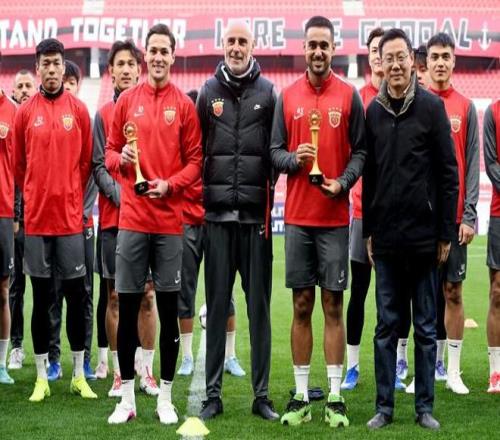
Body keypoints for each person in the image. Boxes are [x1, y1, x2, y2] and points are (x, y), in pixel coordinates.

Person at [271, 15, 366, 428]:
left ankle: (335, 396)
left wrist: (342, 182)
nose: (318, 51)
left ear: (334, 48)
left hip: (333, 219)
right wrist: (295, 159)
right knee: (301, 304)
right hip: (297, 218)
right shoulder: (287, 96)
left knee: (333, 304)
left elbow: (361, 152)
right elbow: (274, 152)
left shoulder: (349, 96)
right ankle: (299, 395)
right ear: (304, 48)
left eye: (324, 45)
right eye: (312, 45)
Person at [105, 24, 202, 424]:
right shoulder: (126, 102)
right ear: (145, 55)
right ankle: (127, 399)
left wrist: (170, 185)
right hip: (132, 220)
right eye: (153, 50)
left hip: (168, 224)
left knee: (167, 309)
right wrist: (121, 160)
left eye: (165, 51)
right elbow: (109, 154)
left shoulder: (184, 106)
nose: (158, 57)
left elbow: (195, 162)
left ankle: (165, 397)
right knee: (127, 308)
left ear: (173, 56)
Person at [363, 28, 458, 430]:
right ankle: (384, 407)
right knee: (386, 326)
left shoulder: (432, 109)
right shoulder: (373, 112)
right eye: (389, 58)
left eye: (402, 57)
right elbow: (370, 175)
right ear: (381, 64)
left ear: (412, 62)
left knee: (425, 326)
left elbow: (448, 174)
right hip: (385, 239)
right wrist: (368, 231)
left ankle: (424, 408)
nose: (396, 65)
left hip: (424, 239)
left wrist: (445, 233)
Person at [196, 20, 277, 422]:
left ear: (253, 45)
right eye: (231, 41)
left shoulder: (269, 93)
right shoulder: (207, 92)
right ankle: (213, 395)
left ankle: (261, 396)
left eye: (243, 41)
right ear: (222, 44)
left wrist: (262, 195)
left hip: (255, 220)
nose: (236, 47)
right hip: (216, 219)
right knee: (216, 308)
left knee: (258, 310)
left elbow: (274, 153)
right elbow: (198, 152)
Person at [13, 38, 97, 401]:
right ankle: (41, 377)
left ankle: (78, 375)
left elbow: (85, 163)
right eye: (45, 63)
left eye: (56, 63)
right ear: (38, 68)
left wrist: (69, 195)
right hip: (37, 221)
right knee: (42, 298)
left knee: (76, 298)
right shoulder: (24, 113)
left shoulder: (78, 110)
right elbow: (19, 165)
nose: (51, 69)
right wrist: (36, 195)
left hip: (69, 222)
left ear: (64, 68)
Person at [93, 39, 159, 398]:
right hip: (113, 220)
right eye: (120, 64)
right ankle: (120, 374)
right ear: (111, 71)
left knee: (147, 296)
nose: (126, 69)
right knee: (116, 297)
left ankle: (146, 371)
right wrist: (123, 197)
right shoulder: (103, 115)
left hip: (148, 218)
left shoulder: (152, 108)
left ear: (139, 68)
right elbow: (98, 166)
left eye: (131, 63)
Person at [343, 27, 404, 392]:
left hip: (393, 216)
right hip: (361, 213)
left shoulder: (401, 99)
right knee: (359, 292)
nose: (380, 56)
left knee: (392, 294)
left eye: (385, 50)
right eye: (374, 51)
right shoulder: (359, 100)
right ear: (370, 57)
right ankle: (352, 367)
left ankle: (395, 366)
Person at [177, 89, 245, 378]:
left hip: (216, 218)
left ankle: (230, 355)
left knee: (224, 289)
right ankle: (187, 357)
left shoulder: (218, 135)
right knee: (185, 290)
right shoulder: (180, 138)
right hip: (187, 220)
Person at [427, 32, 479, 395]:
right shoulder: (417, 103)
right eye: (435, 56)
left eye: (446, 56)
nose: (441, 62)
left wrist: (469, 215)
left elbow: (472, 164)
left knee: (453, 292)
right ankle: (428, 370)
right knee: (423, 296)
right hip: (423, 221)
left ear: (454, 61)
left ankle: (454, 372)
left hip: (456, 217)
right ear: (426, 62)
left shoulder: (466, 106)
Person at [47, 59, 98, 381]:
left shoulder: (83, 120)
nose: (65, 86)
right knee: (53, 294)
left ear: (77, 85)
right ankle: (53, 360)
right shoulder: (51, 123)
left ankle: (86, 360)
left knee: (84, 295)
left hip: (81, 225)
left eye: (70, 82)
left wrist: (79, 213)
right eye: (62, 81)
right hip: (53, 224)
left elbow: (91, 173)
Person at [7, 69, 36, 371]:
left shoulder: (40, 121)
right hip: (18, 220)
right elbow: (14, 176)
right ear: (14, 91)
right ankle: (16, 346)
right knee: (16, 286)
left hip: (42, 218)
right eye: (20, 86)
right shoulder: (12, 124)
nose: (25, 90)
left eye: (29, 85)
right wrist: (16, 216)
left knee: (46, 286)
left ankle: (50, 350)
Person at [0, 51, 17, 385]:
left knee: (2, 290)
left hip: (2, 211)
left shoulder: (13, 111)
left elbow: (21, 168)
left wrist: (17, 212)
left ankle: (1, 363)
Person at [484, 99, 500, 393]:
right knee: (498, 291)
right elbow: (491, 162)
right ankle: (496, 371)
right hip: (499, 213)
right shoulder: (493, 112)